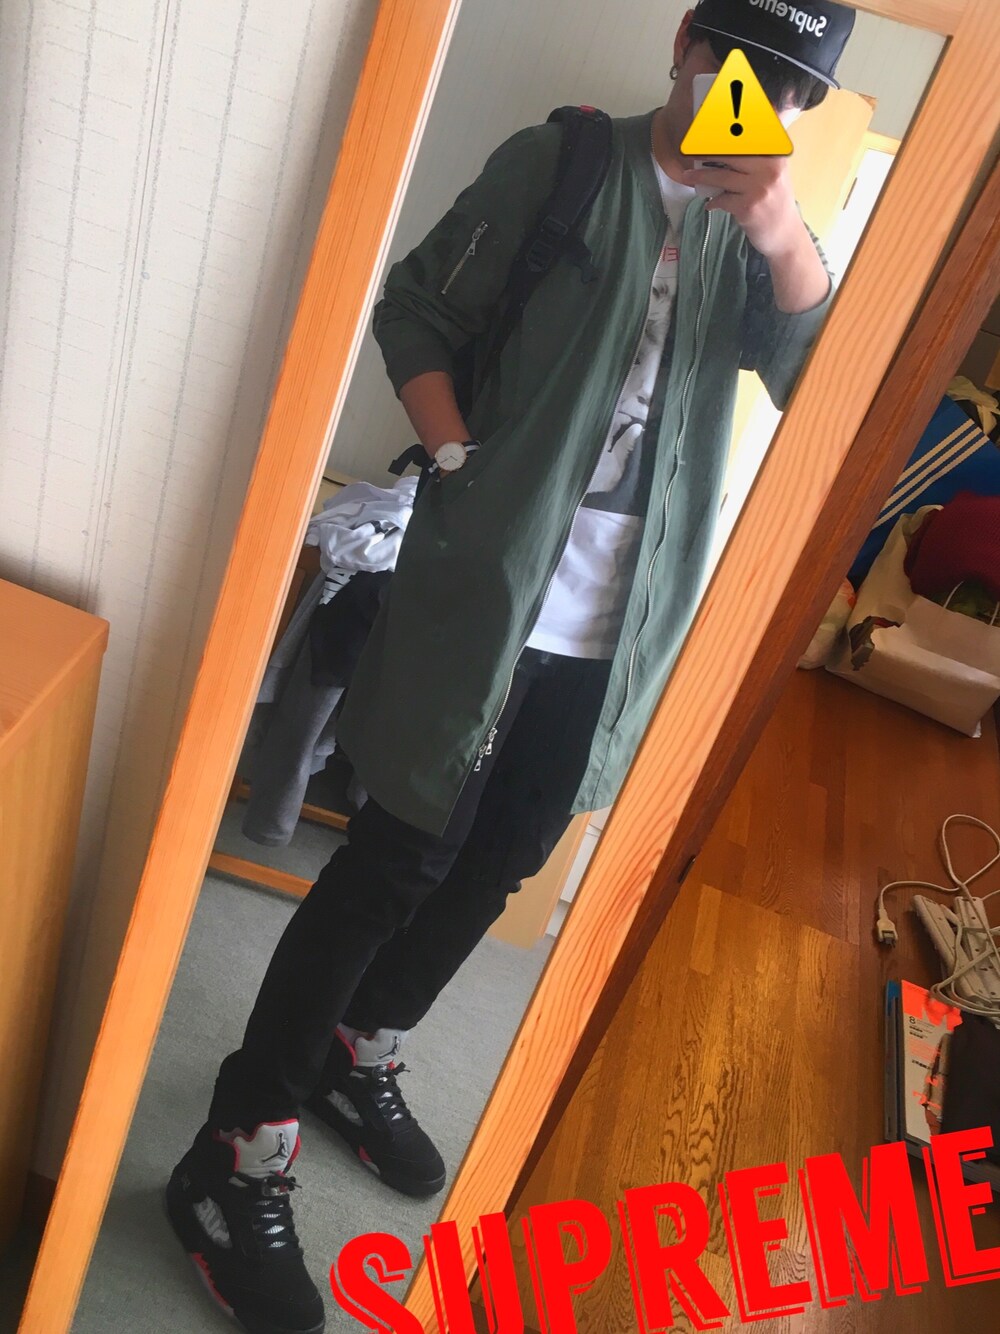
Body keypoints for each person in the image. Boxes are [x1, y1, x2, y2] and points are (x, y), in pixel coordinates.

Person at [167, 3, 856, 1331]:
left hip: (618, 624)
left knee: (504, 858)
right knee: (393, 862)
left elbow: (819, 390)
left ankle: (360, 1045)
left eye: (785, 87)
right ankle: (235, 1152)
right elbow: (418, 305)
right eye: (735, 60)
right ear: (684, 41)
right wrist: (457, 458)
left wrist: (781, 233)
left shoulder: (766, 234)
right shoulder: (567, 163)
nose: (751, 97)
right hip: (488, 593)